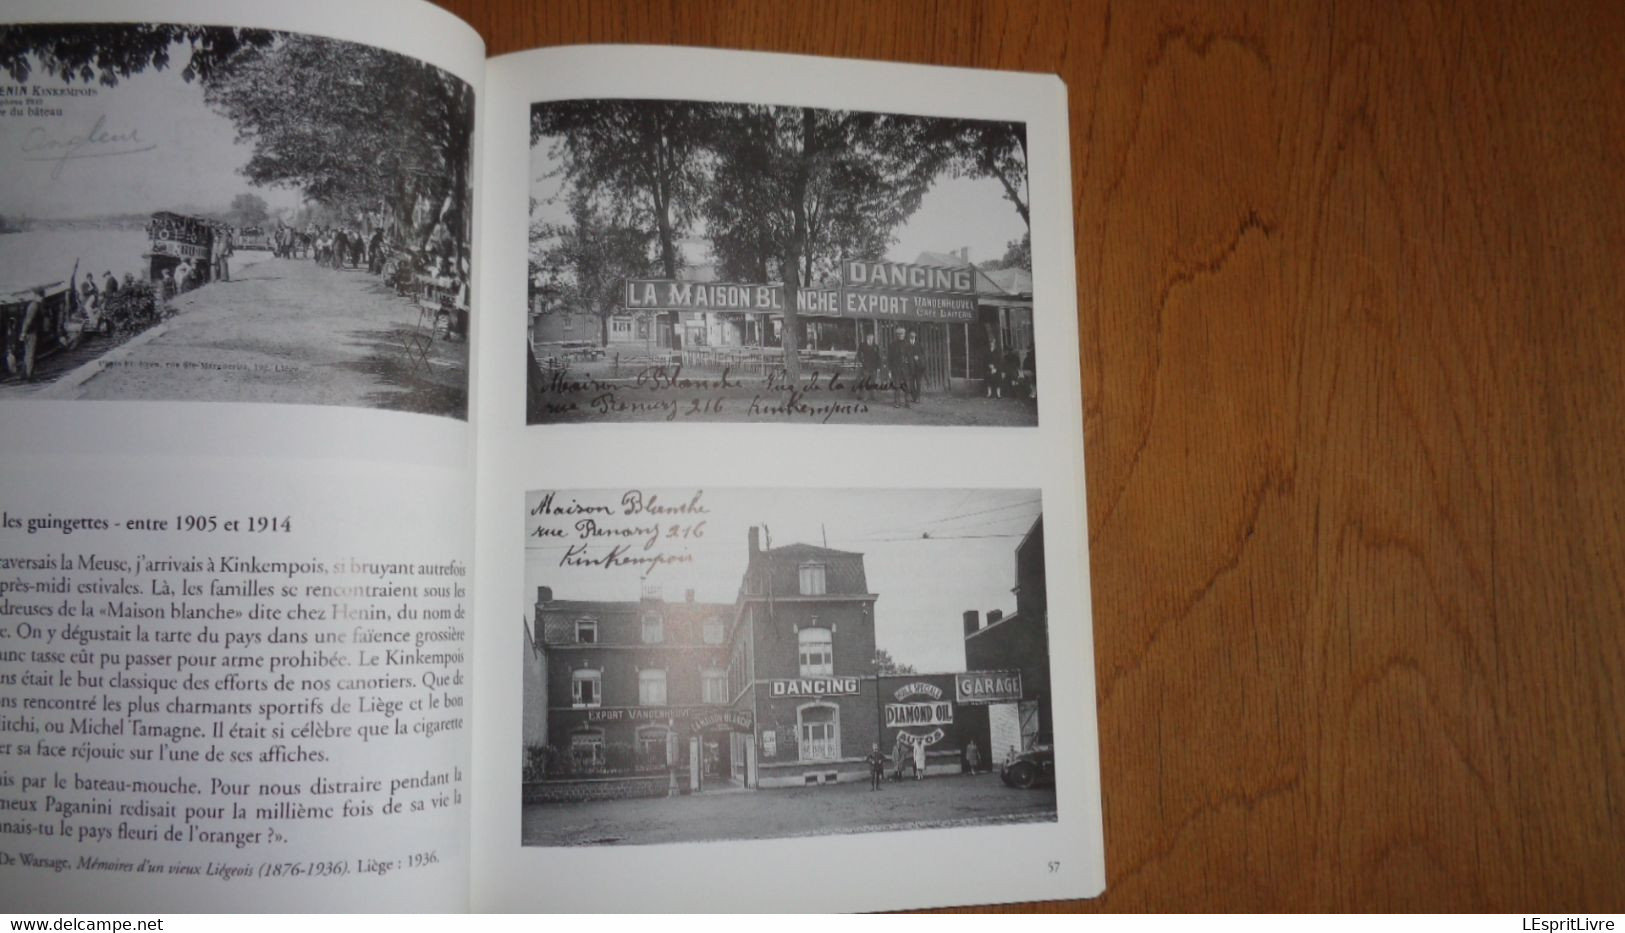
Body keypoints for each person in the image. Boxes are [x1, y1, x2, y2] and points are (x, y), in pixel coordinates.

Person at [885, 326, 910, 409]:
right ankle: (897, 402)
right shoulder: (892, 344)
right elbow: (889, 358)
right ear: (896, 335)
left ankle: (907, 402)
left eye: (902, 333)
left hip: (906, 369)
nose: (900, 335)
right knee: (897, 386)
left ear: (905, 334)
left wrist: (908, 362)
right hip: (896, 368)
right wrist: (889, 370)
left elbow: (910, 356)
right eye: (898, 334)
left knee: (907, 385)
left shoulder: (908, 344)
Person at [856, 331, 881, 401]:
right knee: (866, 381)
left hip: (874, 367)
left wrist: (878, 367)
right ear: (867, 337)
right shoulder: (862, 345)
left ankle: (874, 397)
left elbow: (878, 357)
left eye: (872, 337)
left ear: (873, 338)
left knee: (874, 382)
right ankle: (865, 397)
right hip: (866, 366)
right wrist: (862, 362)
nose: (870, 338)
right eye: (869, 337)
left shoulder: (876, 346)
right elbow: (858, 354)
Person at [906, 329, 926, 403]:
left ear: (915, 335)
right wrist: (906, 360)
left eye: (913, 333)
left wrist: (919, 357)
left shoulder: (919, 344)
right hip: (910, 367)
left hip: (918, 367)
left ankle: (918, 397)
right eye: (911, 333)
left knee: (918, 383)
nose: (912, 335)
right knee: (911, 383)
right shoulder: (906, 344)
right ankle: (914, 397)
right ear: (909, 335)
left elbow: (923, 355)